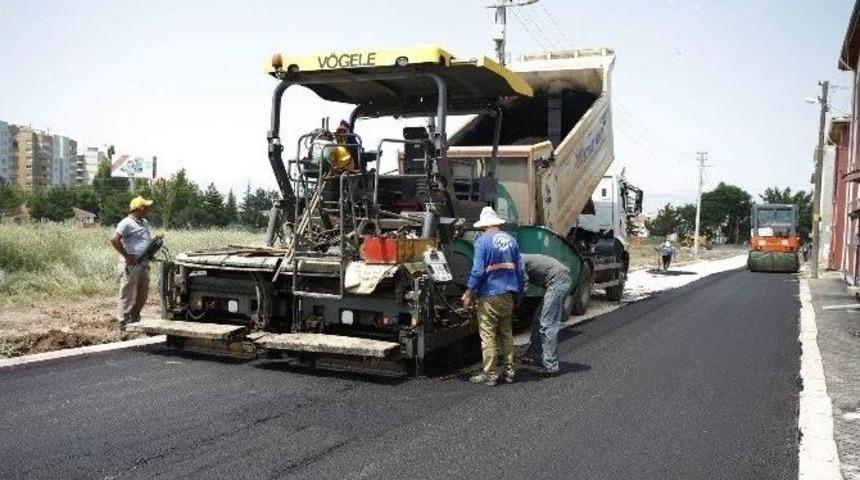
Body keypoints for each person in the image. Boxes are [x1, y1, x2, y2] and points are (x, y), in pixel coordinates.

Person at [461, 207, 526, 386]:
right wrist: (519, 293)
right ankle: (510, 371)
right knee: (506, 333)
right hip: (507, 294)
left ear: (484, 225)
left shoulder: (482, 241)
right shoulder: (512, 241)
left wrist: (469, 292)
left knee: (488, 335)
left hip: (489, 295)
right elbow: (520, 270)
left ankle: (490, 374)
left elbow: (477, 270)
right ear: (497, 223)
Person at [521, 254, 573, 376]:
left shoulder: (517, 260)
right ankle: (534, 354)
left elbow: (523, 286)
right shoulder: (517, 258)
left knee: (548, 324)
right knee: (537, 319)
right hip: (557, 281)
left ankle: (551, 366)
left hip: (558, 282)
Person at [110, 196, 155, 325]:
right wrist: (127, 256)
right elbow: (114, 240)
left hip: (144, 263)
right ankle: (123, 322)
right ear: (139, 209)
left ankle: (135, 319)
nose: (148, 210)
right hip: (132, 264)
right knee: (128, 294)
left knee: (142, 294)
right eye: (146, 207)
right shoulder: (126, 223)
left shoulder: (145, 222)